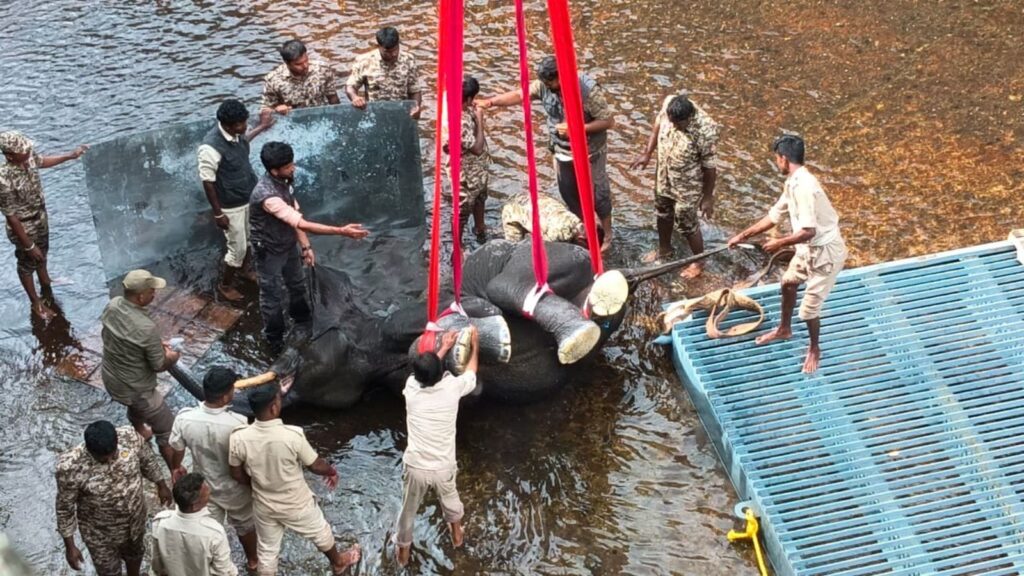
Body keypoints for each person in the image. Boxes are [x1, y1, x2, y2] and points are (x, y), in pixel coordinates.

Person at [728, 135, 847, 373]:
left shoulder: (805, 187)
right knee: (788, 284)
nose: (776, 164)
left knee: (808, 311)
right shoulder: (793, 182)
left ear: (783, 158)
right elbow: (774, 216)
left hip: (825, 253)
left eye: (776, 159)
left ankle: (814, 348)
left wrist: (779, 244)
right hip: (806, 249)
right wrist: (743, 235)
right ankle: (784, 329)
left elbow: (808, 231)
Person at [479, 55, 615, 251]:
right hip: (561, 151)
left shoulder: (587, 90)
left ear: (561, 76)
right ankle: (583, 233)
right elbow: (520, 95)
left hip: (590, 152)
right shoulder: (544, 85)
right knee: (569, 194)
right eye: (545, 83)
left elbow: (608, 121)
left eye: (551, 82)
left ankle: (607, 236)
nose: (547, 86)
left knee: (599, 195)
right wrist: (491, 102)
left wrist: (577, 128)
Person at [229, 383, 361, 575]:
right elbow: (315, 465)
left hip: (264, 504)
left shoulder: (239, 437)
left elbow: (236, 473)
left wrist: (257, 485)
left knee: (267, 551)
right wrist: (331, 471)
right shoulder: (292, 435)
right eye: (279, 400)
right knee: (320, 531)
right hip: (296, 501)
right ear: (274, 408)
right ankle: (339, 562)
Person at [249, 141, 369, 350]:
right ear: (274, 170)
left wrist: (306, 247)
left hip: (288, 245)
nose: (293, 168)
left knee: (297, 283)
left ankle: (302, 320)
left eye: (292, 163)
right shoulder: (267, 196)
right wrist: (342, 231)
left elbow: (296, 219)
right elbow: (301, 223)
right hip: (268, 251)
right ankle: (274, 338)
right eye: (288, 166)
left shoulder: (284, 182)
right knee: (271, 296)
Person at [395, 328, 479, 566]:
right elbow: (472, 372)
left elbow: (427, 373)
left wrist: (443, 347)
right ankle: (456, 534)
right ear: (442, 373)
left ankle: (402, 553)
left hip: (416, 466)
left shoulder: (411, 388)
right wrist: (475, 345)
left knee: (408, 510)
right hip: (443, 466)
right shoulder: (452, 388)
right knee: (451, 501)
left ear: (417, 375)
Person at [168, 367, 258, 573]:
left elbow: (177, 448)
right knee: (245, 526)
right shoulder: (238, 423)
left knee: (206, 531)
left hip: (205, 488)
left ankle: (207, 567)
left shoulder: (185, 418)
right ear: (226, 395)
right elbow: (245, 461)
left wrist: (175, 467)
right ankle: (253, 561)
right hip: (235, 488)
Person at [56, 420, 172, 576]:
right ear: (90, 451)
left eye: (113, 455)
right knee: (109, 572)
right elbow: (65, 508)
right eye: (104, 459)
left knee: (135, 556)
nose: (110, 461)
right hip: (101, 535)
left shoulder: (130, 438)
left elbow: (148, 461)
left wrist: (161, 485)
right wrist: (70, 546)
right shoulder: (70, 468)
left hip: (134, 524)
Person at [629, 94, 719, 278]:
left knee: (687, 223)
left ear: (688, 118)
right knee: (662, 212)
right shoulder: (669, 105)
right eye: (671, 122)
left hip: (688, 184)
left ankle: (699, 261)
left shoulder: (706, 130)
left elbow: (710, 167)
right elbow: (657, 125)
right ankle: (665, 249)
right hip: (664, 176)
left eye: (678, 124)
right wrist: (647, 153)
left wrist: (708, 197)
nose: (674, 126)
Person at [0, 130, 88, 320]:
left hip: (40, 218)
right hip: (23, 227)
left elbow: (42, 161)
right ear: (9, 155)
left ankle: (46, 281)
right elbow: (11, 216)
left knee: (43, 253)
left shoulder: (29, 159)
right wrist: (28, 245)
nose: (28, 152)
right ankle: (36, 303)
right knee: (27, 263)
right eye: (23, 150)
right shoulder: (3, 179)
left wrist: (69, 156)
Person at [100, 269, 180, 470]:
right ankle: (175, 470)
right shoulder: (146, 327)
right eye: (152, 291)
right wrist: (172, 356)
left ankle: (140, 429)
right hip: (137, 389)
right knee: (167, 430)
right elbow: (159, 365)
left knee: (133, 405)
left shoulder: (113, 305)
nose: (155, 294)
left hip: (111, 377)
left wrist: (150, 345)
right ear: (141, 296)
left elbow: (114, 336)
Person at [198, 99, 274, 302]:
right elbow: (208, 182)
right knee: (237, 249)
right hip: (230, 206)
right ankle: (225, 285)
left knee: (250, 239)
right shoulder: (209, 148)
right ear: (227, 124)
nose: (244, 126)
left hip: (248, 197)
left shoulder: (236, 136)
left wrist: (262, 127)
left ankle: (245, 270)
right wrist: (218, 213)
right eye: (241, 124)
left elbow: (244, 142)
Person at [151, 473, 238, 576]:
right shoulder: (214, 533)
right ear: (195, 505)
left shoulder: (160, 522)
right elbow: (223, 572)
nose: (209, 491)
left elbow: (156, 564)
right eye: (206, 492)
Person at [443, 77, 489, 242]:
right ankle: (457, 243)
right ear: (468, 99)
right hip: (465, 172)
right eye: (473, 98)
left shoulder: (452, 103)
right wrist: (480, 121)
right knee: (462, 209)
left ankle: (480, 227)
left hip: (476, 169)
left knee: (480, 197)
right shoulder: (459, 122)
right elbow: (477, 149)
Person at [345, 26, 424, 119]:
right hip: (375, 115)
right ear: (379, 47)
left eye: (395, 50)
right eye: (388, 52)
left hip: (401, 115)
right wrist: (355, 98)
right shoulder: (365, 61)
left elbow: (414, 90)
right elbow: (350, 86)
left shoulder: (408, 60)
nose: (393, 54)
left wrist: (416, 107)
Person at [261, 39, 340, 114]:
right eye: (298, 64)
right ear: (287, 63)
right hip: (293, 121)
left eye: (306, 60)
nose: (305, 66)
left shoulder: (322, 69)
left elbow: (333, 97)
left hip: (321, 116)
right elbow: (266, 109)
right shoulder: (273, 80)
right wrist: (277, 108)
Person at [501, 193, 585, 245]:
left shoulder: (575, 219)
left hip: (536, 203)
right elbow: (546, 247)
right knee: (516, 249)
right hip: (512, 213)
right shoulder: (558, 233)